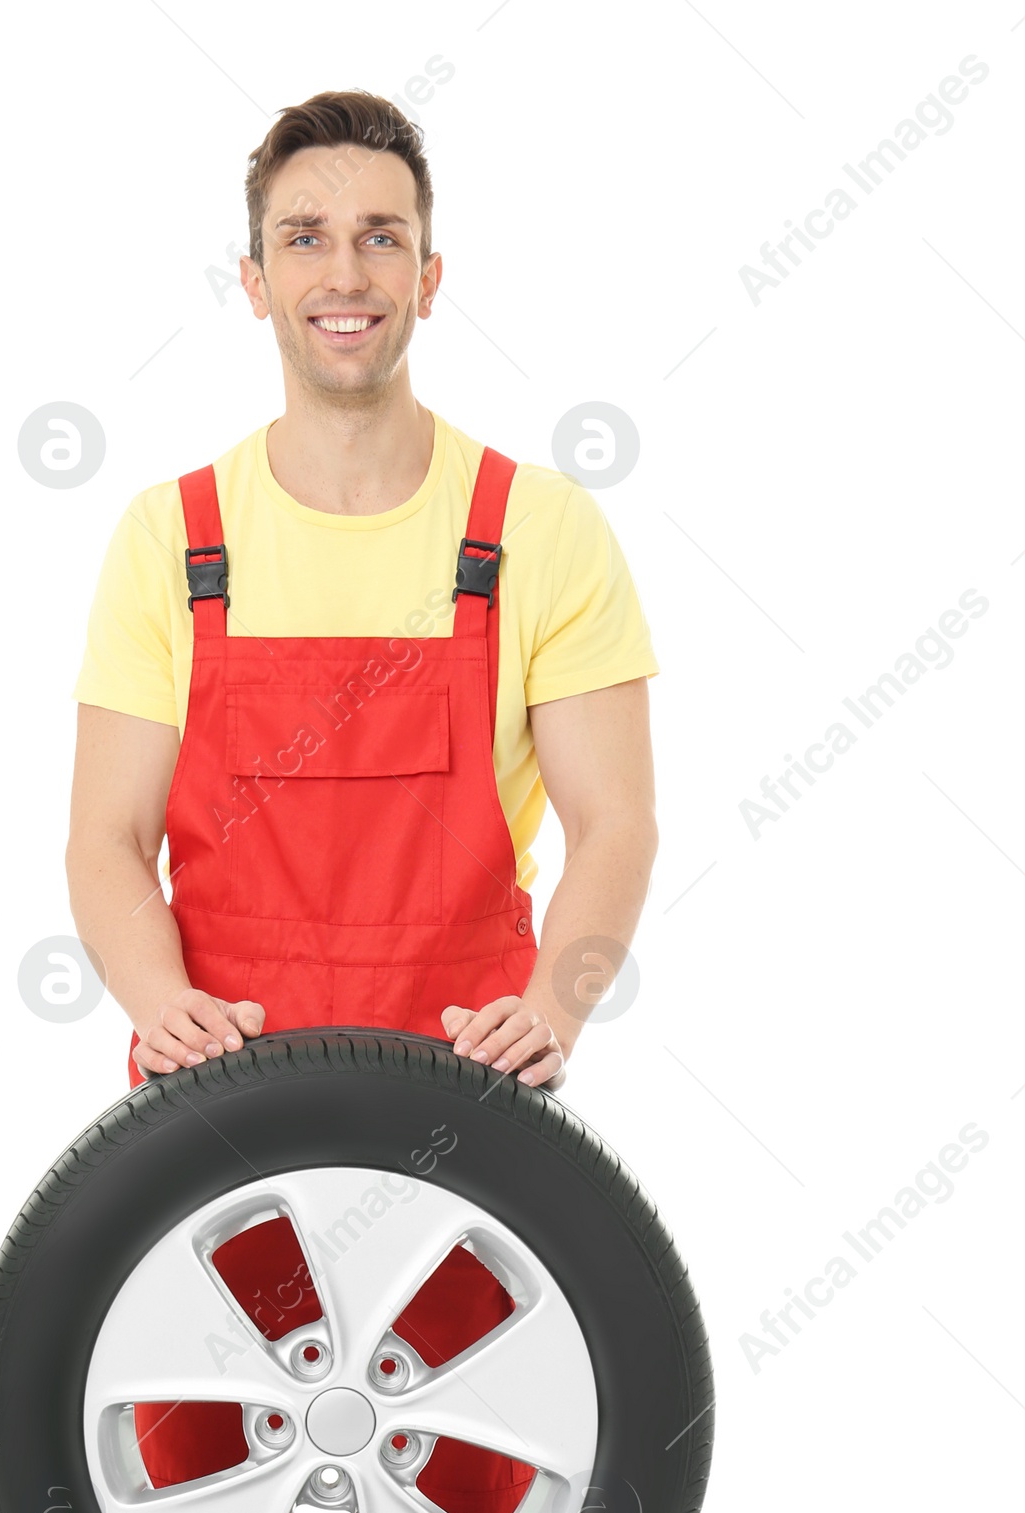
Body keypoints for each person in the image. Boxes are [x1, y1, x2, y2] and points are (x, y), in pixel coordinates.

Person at [66, 86, 660, 1099]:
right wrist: (160, 1000)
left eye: (380, 238)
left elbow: (615, 822)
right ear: (253, 282)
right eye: (304, 238)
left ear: (428, 279)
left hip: (468, 1100)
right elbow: (105, 839)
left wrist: (551, 1013)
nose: (344, 273)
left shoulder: (535, 527)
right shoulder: (172, 540)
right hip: (225, 1104)